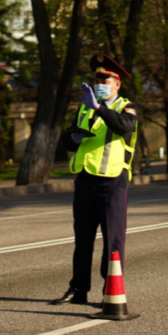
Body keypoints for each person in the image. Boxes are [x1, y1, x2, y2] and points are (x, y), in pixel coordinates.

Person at [51, 54, 138, 305]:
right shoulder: (84, 107)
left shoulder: (126, 106)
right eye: (97, 79)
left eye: (105, 79)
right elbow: (68, 138)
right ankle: (78, 289)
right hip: (85, 179)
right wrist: (73, 139)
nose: (100, 83)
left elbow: (124, 127)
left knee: (112, 241)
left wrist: (99, 108)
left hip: (112, 181)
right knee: (82, 239)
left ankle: (111, 293)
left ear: (117, 84)